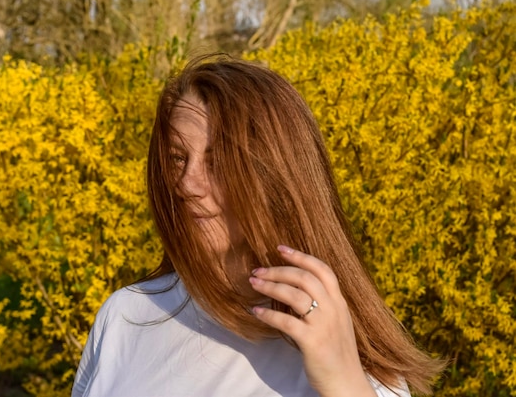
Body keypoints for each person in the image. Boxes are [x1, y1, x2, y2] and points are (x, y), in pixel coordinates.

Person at [72, 55, 443, 397]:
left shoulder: (343, 356)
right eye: (176, 158)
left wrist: (343, 381)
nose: (186, 184)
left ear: (277, 177)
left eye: (218, 162)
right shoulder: (127, 315)